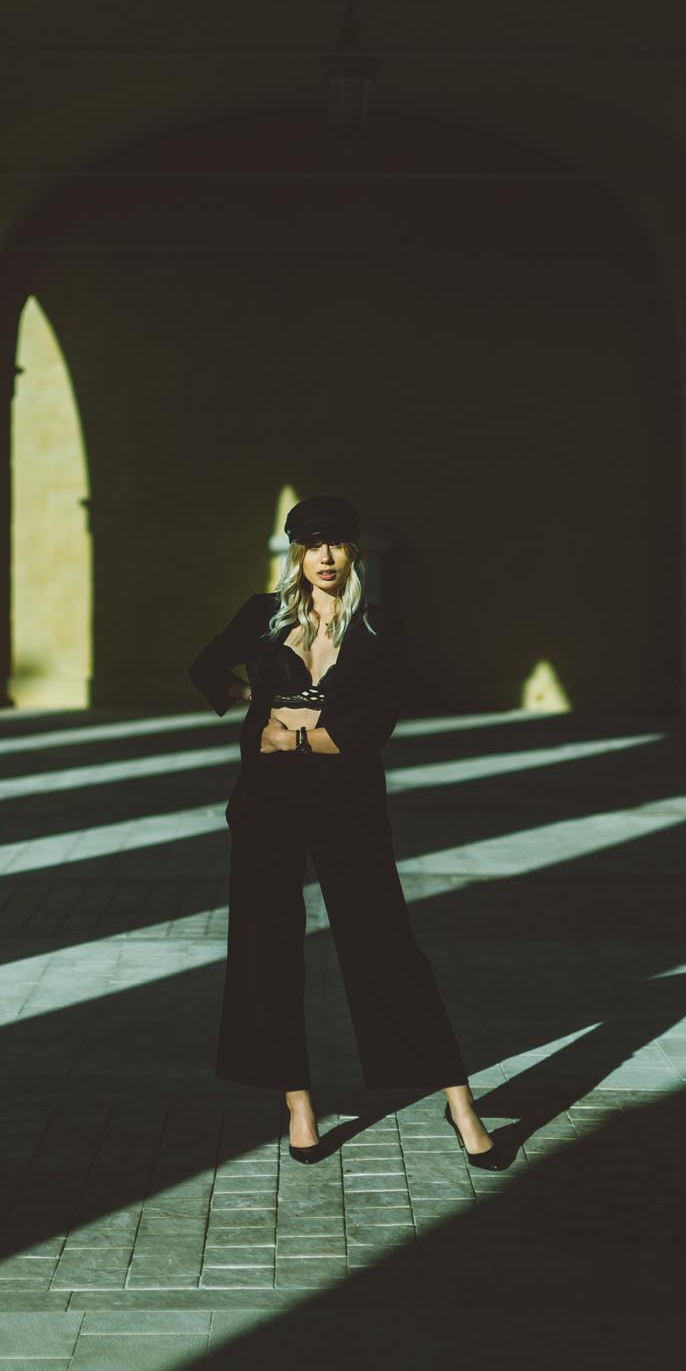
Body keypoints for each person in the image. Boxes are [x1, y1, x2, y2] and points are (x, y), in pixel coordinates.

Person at [189, 493, 499, 1167]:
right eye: (311, 544)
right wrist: (255, 701)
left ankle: (460, 1102)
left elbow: (377, 722)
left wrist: (297, 738)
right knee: (268, 948)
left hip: (347, 803)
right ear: (296, 553)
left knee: (385, 942)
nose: (324, 557)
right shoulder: (263, 616)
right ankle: (298, 1105)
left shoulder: (379, 626)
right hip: (268, 802)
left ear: (353, 551)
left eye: (335, 543)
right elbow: (205, 668)